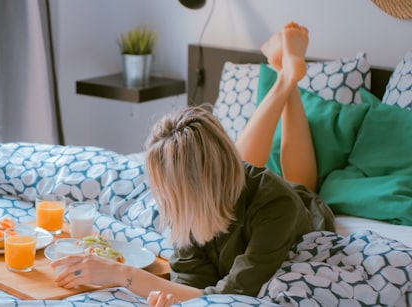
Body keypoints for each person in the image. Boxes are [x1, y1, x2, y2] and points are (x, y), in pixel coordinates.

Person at [50, 22, 335, 307]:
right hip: (227, 184)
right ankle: (286, 74)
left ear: (191, 186)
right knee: (241, 164)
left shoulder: (276, 206)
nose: (161, 199)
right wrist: (172, 297)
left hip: (297, 205)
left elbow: (232, 294)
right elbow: (191, 282)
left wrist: (122, 274)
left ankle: (287, 77)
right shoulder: (188, 206)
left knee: (302, 183)